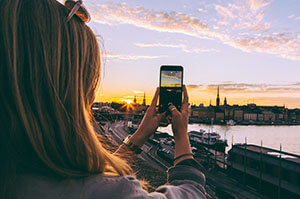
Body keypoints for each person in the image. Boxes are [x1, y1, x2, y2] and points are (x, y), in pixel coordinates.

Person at [0, 0, 207, 198]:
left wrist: (140, 134)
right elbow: (191, 192)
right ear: (68, 92)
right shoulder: (109, 192)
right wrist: (181, 135)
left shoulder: (15, 172)